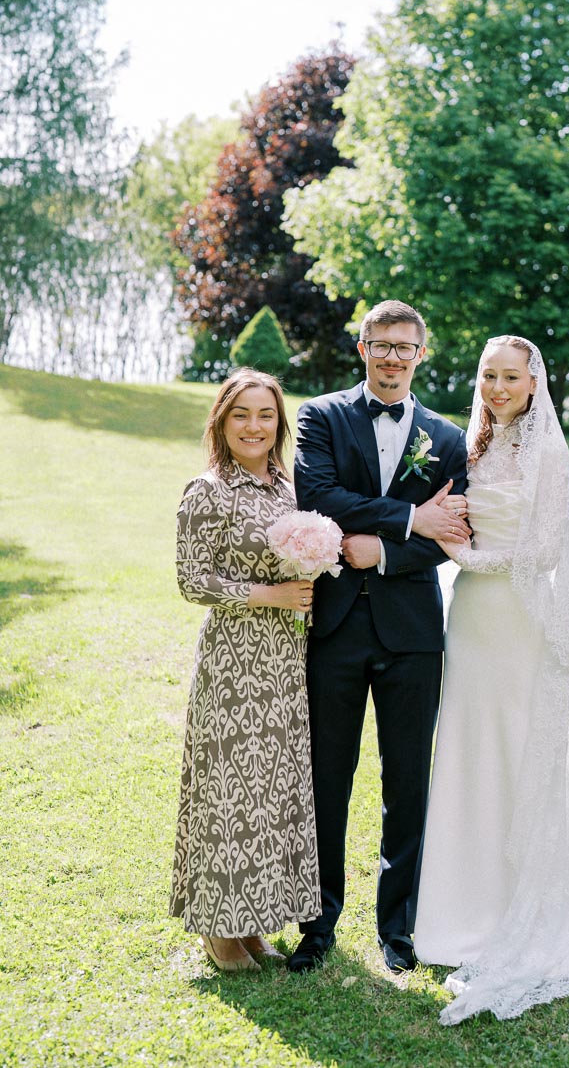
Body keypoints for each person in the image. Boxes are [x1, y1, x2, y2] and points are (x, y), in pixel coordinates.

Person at [414, 336, 569, 1024]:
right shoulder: (467, 446)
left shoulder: (545, 451)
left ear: (534, 383)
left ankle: (520, 911)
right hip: (470, 623)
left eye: (511, 377)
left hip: (518, 619)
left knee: (516, 754)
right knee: (469, 751)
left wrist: (459, 554)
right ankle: (461, 914)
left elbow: (542, 549)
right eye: (489, 376)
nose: (498, 387)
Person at [289, 300, 469, 975]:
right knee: (326, 779)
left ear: (421, 354)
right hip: (334, 626)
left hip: (414, 632)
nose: (393, 357)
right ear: (361, 348)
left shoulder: (448, 440)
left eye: (405, 347)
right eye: (381, 345)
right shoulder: (322, 416)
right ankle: (318, 922)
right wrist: (409, 517)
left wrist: (388, 549)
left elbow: (455, 535)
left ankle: (398, 929)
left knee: (408, 785)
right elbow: (319, 495)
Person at [171, 368, 321, 972]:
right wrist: (269, 596)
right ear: (222, 422)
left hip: (288, 661)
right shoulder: (207, 490)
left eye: (265, 415)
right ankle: (217, 926)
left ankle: (253, 919)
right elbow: (190, 579)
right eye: (241, 415)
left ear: (278, 423)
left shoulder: (289, 488)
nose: (254, 426)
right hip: (235, 658)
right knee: (229, 786)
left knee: (270, 791)